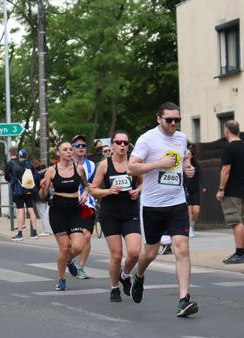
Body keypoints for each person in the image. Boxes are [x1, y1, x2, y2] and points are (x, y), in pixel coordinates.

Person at [128, 101, 199, 318]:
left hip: (176, 202)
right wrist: (158, 164)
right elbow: (132, 167)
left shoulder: (180, 137)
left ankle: (183, 300)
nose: (173, 124)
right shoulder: (147, 139)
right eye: (169, 120)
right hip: (152, 205)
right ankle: (138, 275)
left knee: (182, 249)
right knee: (150, 253)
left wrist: (188, 167)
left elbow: (185, 155)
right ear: (159, 118)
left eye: (177, 120)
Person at [91, 131, 142, 302]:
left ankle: (125, 275)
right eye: (118, 142)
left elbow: (143, 183)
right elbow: (94, 189)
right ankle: (114, 288)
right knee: (117, 255)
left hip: (130, 212)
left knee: (135, 252)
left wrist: (138, 191)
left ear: (128, 145)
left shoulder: (134, 164)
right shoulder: (104, 165)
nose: (122, 145)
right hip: (110, 213)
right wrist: (108, 191)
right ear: (112, 144)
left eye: (125, 143)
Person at [38, 141, 89, 291]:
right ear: (58, 153)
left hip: (74, 210)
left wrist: (86, 192)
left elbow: (86, 185)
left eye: (70, 149)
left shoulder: (79, 168)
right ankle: (61, 279)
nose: (69, 151)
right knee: (65, 246)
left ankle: (68, 261)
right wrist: (42, 188)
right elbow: (42, 196)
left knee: (79, 246)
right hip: (58, 211)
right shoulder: (51, 171)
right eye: (65, 149)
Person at [216, 120, 244, 264]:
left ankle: (239, 252)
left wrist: (221, 189)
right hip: (243, 188)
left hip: (232, 189)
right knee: (243, 221)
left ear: (227, 131)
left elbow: (226, 170)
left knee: (236, 222)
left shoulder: (230, 148)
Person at [70, 134, 97, 279]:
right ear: (72, 148)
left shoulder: (91, 165)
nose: (81, 148)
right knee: (74, 241)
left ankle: (80, 267)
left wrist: (87, 192)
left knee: (86, 236)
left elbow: (93, 183)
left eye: (83, 146)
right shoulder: (65, 163)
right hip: (69, 204)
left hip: (87, 203)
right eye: (77, 146)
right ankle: (68, 258)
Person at [9, 148, 39, 241]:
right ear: (26, 156)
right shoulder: (31, 165)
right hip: (30, 190)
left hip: (19, 192)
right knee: (31, 210)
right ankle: (34, 233)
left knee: (20, 211)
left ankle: (20, 234)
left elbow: (13, 181)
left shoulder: (16, 166)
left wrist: (12, 191)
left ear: (19, 156)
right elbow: (36, 177)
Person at [183, 144, 206, 238]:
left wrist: (204, 185)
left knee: (196, 211)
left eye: (189, 154)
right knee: (188, 211)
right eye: (186, 154)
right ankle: (189, 228)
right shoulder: (181, 166)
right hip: (185, 189)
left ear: (192, 155)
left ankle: (192, 224)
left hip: (195, 190)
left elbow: (201, 176)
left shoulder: (196, 165)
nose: (188, 155)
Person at [32, 159, 52, 237]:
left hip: (39, 195)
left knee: (42, 213)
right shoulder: (44, 172)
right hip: (46, 194)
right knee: (46, 213)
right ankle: (48, 229)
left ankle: (47, 230)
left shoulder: (35, 175)